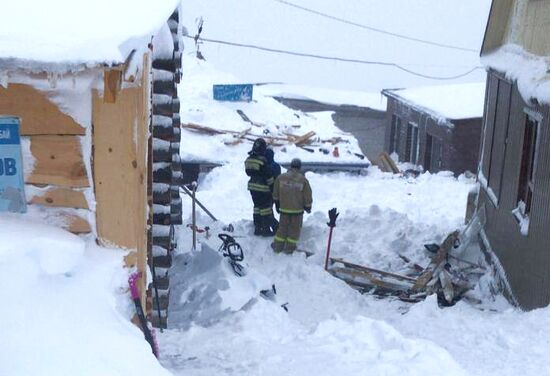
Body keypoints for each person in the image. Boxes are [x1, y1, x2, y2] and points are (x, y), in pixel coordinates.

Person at [271, 158, 312, 253]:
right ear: (299, 167)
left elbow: (275, 193)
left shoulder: (281, 178)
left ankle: (277, 246)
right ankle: (289, 248)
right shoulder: (303, 179)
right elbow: (307, 195)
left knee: (282, 228)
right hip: (297, 211)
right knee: (294, 230)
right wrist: (308, 206)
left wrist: (277, 204)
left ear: (291, 166)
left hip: (284, 209)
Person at [245, 138, 275, 236]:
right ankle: (266, 230)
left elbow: (248, 172)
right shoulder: (262, 160)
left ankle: (258, 228)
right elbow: (268, 175)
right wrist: (272, 187)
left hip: (252, 188)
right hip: (262, 188)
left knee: (257, 208)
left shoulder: (249, 159)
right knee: (265, 209)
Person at [265, 148, 281, 233]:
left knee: (267, 210)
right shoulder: (277, 166)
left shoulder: (266, 167)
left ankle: (276, 227)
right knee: (271, 209)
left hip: (268, 191)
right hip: (276, 190)